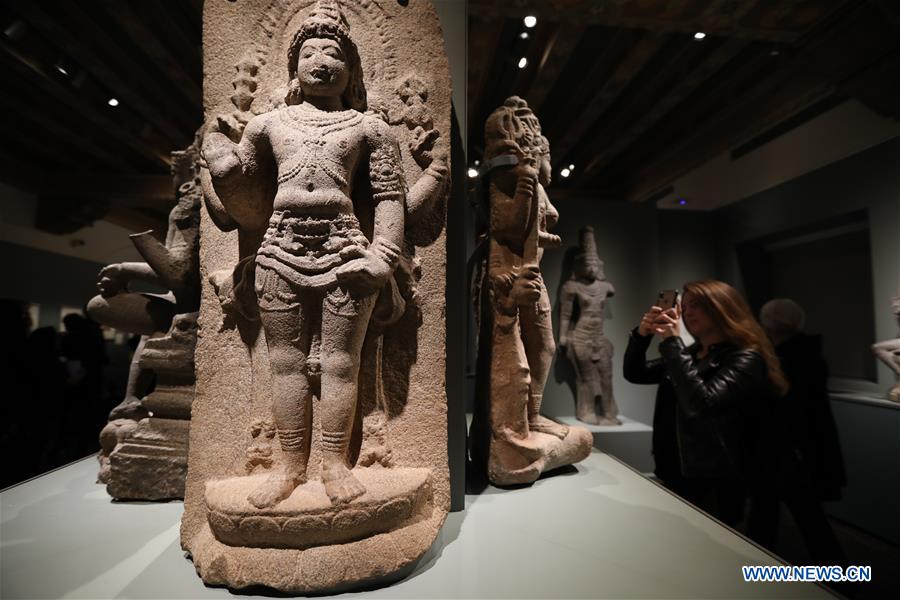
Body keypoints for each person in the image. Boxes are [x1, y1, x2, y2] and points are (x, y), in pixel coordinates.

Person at [203, 2, 410, 508]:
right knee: (286, 364)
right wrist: (218, 167)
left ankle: (334, 463)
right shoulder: (267, 126)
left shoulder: (368, 128)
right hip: (279, 248)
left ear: (352, 67)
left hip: (346, 250)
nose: (320, 61)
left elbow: (390, 197)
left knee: (341, 363)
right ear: (293, 64)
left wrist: (382, 257)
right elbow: (245, 205)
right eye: (309, 52)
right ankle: (290, 466)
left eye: (333, 52)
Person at [624, 280, 788, 526]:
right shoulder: (690, 354)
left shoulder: (745, 358)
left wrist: (672, 342)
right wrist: (641, 336)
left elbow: (701, 405)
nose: (688, 312)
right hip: (675, 468)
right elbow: (635, 373)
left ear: (722, 308)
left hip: (717, 479)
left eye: (697, 305)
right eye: (685, 306)